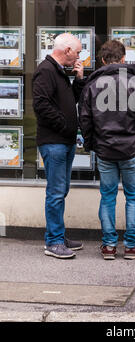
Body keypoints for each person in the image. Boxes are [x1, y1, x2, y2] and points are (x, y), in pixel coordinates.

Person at [79, 40, 135, 260]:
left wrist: (91, 144)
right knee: (133, 197)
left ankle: (109, 246)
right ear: (123, 59)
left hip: (104, 150)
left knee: (107, 197)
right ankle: (132, 246)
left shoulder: (92, 86)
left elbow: (84, 119)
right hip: (132, 148)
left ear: (103, 61)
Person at [32, 33, 86, 259]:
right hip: (54, 142)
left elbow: (68, 102)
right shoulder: (45, 70)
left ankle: (58, 235)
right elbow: (41, 106)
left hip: (64, 141)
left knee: (61, 191)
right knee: (55, 193)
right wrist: (64, 126)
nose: (79, 56)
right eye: (78, 52)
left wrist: (79, 80)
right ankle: (53, 242)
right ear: (67, 51)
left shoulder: (60, 72)